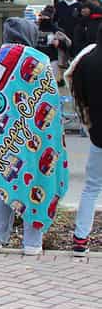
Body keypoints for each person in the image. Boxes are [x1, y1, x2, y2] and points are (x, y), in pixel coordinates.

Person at [0, 18, 69, 257]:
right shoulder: (42, 62)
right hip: (37, 139)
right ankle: (33, 243)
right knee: (37, 182)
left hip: (4, 136)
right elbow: (52, 106)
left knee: (6, 181)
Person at [68, 42, 101, 255]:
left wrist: (86, 119)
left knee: (92, 187)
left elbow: (70, 78)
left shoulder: (88, 57)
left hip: (99, 132)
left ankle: (80, 238)